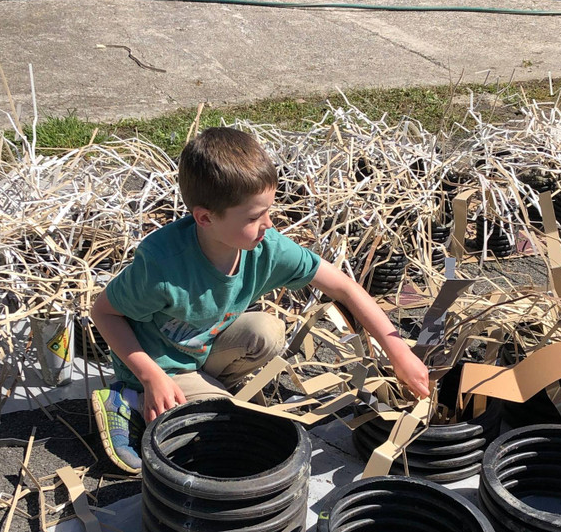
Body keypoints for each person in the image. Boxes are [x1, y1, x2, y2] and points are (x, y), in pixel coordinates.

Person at [91, 127, 430, 474]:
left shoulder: (265, 248)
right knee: (219, 431)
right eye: (254, 217)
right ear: (205, 218)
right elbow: (103, 313)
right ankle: (126, 399)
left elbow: (345, 287)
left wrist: (398, 352)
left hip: (200, 350)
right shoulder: (162, 266)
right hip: (155, 364)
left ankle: (204, 388)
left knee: (267, 332)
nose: (268, 223)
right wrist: (150, 376)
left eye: (268, 210)